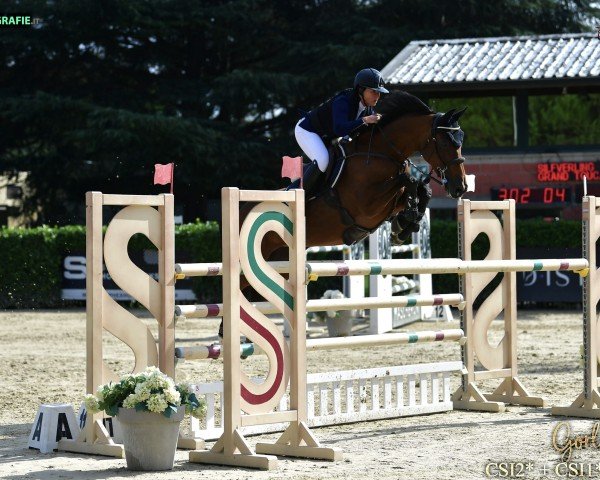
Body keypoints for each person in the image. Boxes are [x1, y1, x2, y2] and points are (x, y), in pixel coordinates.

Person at [294, 68, 389, 197]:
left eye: (379, 93)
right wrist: (364, 120)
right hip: (307, 130)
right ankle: (298, 196)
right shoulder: (343, 101)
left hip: (326, 136)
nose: (377, 96)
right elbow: (339, 129)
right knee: (323, 160)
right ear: (361, 89)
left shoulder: (368, 110)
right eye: (374, 92)